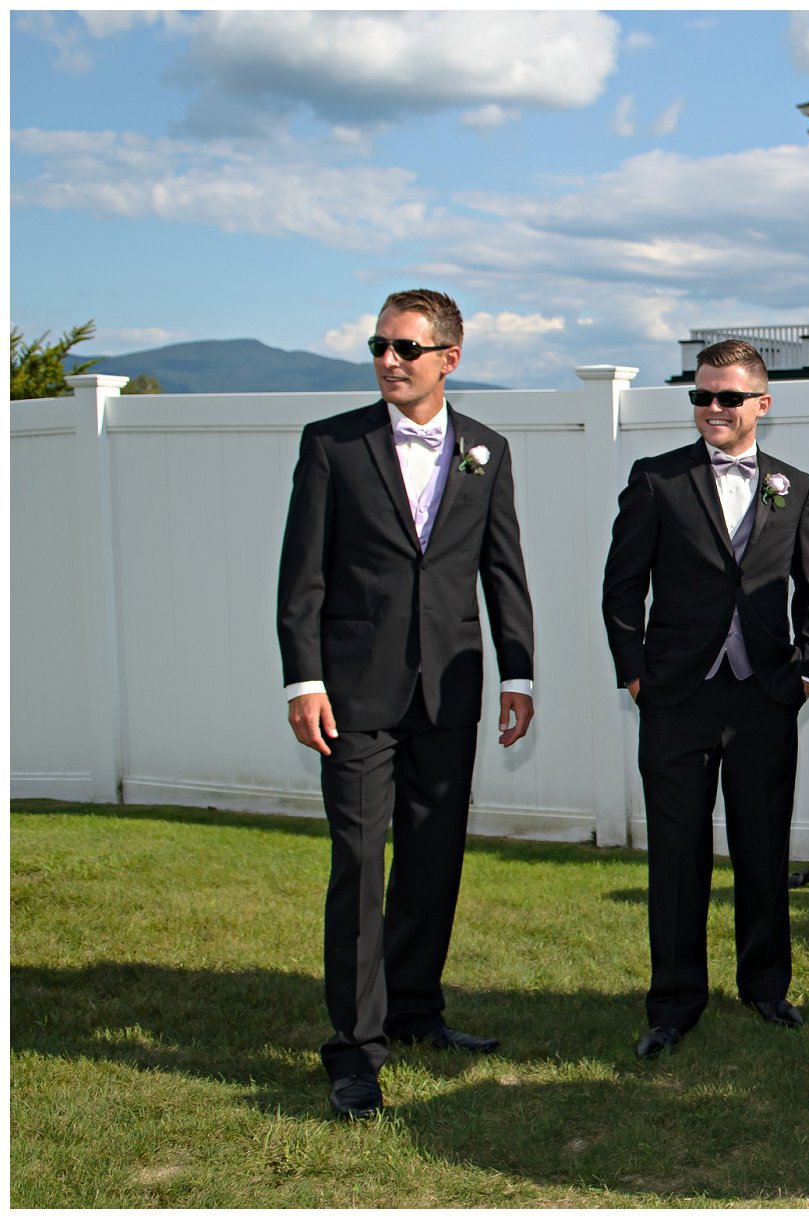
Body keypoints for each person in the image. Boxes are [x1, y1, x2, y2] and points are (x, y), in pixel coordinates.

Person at [277, 289, 536, 1119]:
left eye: (407, 348)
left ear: (449, 359)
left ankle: (417, 1009)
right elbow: (301, 577)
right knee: (359, 862)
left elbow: (504, 571)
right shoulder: (332, 445)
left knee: (434, 856)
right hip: (352, 695)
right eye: (380, 345)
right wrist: (303, 678)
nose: (390, 360)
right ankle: (355, 1050)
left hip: (450, 691)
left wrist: (518, 674)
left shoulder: (486, 451)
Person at [601, 339, 809, 1060]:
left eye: (728, 397)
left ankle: (766, 987)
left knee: (763, 847)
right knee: (676, 853)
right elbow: (621, 589)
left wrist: (806, 674)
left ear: (763, 402)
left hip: (764, 695)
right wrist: (637, 674)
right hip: (677, 696)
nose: (713, 409)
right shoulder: (655, 479)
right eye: (702, 396)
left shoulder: (794, 485)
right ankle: (673, 1001)